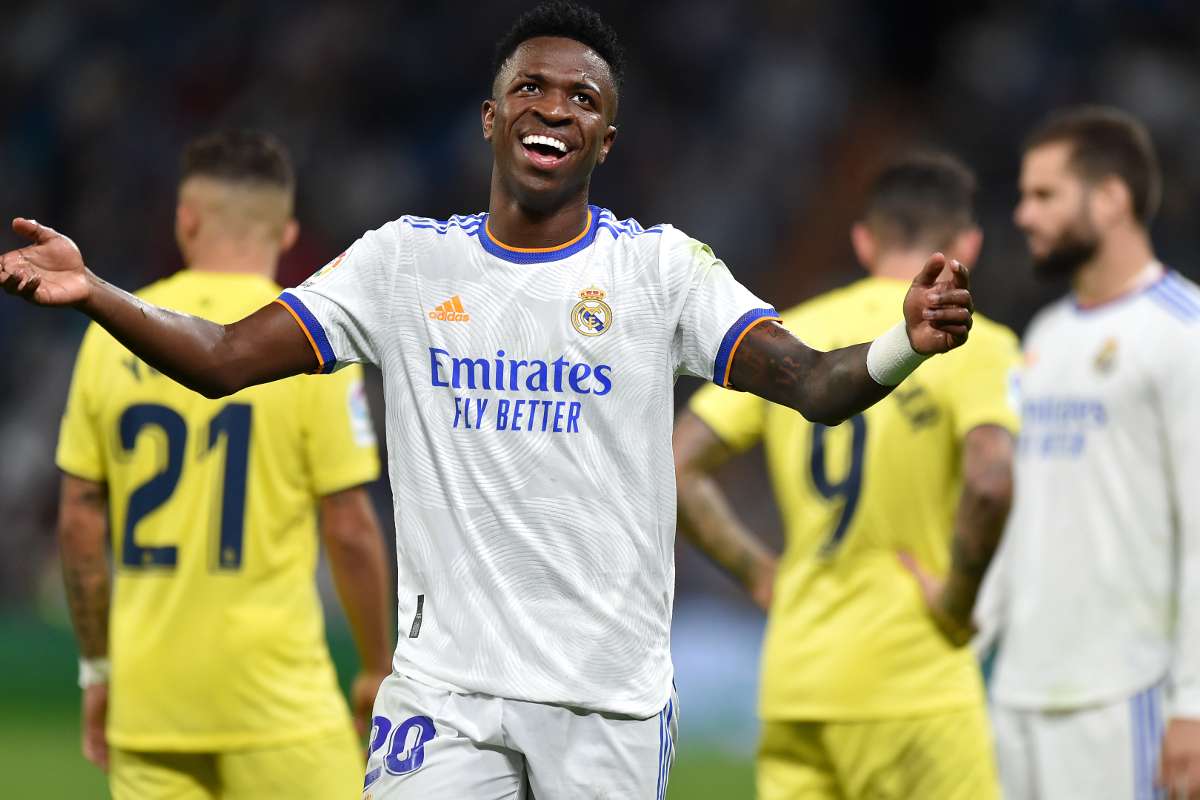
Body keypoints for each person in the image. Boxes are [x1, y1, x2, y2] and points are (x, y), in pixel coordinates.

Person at [2, 3, 976, 797]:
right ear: (489, 115)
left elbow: (811, 381)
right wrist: (95, 292)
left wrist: (902, 343)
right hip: (444, 695)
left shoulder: (661, 272)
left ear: (607, 137)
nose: (554, 108)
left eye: (583, 98)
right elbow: (221, 358)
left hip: (605, 701)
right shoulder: (403, 263)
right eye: (532, 88)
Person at [54, 130, 391, 800]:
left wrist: (98, 669)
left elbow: (78, 522)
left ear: (186, 219)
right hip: (277, 705)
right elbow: (350, 526)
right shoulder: (307, 343)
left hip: (149, 703)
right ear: (286, 233)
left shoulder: (113, 333)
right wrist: (375, 666)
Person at [674, 151, 1018, 800]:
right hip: (914, 679)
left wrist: (759, 572)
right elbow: (991, 480)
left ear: (864, 241)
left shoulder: (798, 337)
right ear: (968, 244)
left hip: (797, 678)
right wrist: (957, 602)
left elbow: (679, 462)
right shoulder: (974, 341)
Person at [983, 105, 1200, 800]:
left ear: (1110, 199)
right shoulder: (1044, 336)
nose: (1023, 215)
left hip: (1123, 693)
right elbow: (1029, 509)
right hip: (1018, 691)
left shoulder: (1183, 333)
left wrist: (1193, 703)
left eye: (1044, 195)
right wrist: (974, 628)